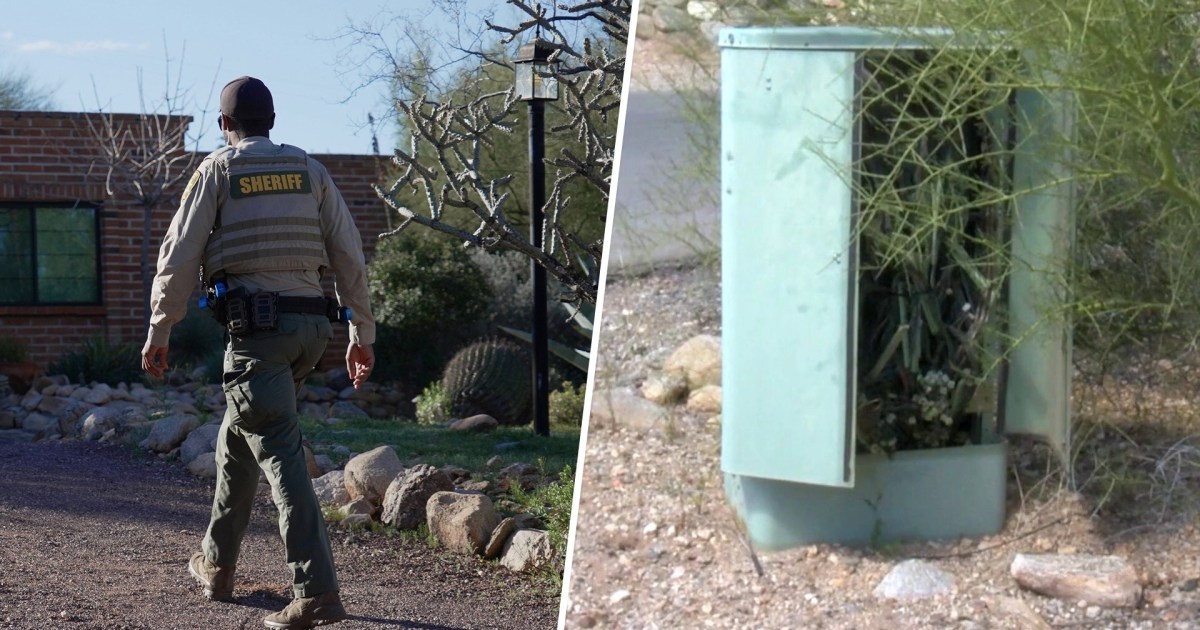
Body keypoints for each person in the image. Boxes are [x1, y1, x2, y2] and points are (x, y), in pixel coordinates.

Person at [141, 75, 375, 630]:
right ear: (272, 120)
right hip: (311, 335)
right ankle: (216, 566)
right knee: (236, 442)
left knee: (280, 457)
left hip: (256, 339)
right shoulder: (310, 171)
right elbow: (349, 253)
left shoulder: (218, 170)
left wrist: (159, 328)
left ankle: (316, 592)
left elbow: (179, 257)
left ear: (225, 126)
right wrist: (361, 334)